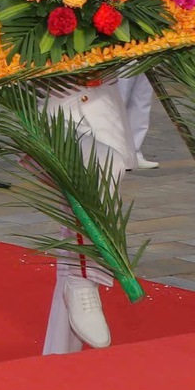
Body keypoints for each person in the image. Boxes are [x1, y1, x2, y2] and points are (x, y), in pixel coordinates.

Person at [37, 82, 131, 356]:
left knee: (74, 228)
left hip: (104, 115)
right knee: (99, 167)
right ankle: (81, 279)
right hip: (52, 114)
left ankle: (59, 360)